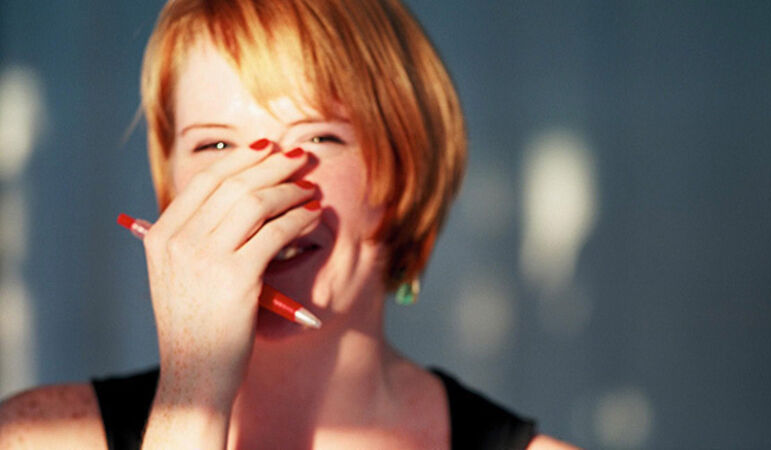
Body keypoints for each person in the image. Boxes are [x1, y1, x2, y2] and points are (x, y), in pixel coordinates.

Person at [0, 0, 576, 448]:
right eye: (215, 144)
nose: (258, 192)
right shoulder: (36, 435)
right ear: (170, 186)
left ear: (405, 172)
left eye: (318, 138)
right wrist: (193, 396)